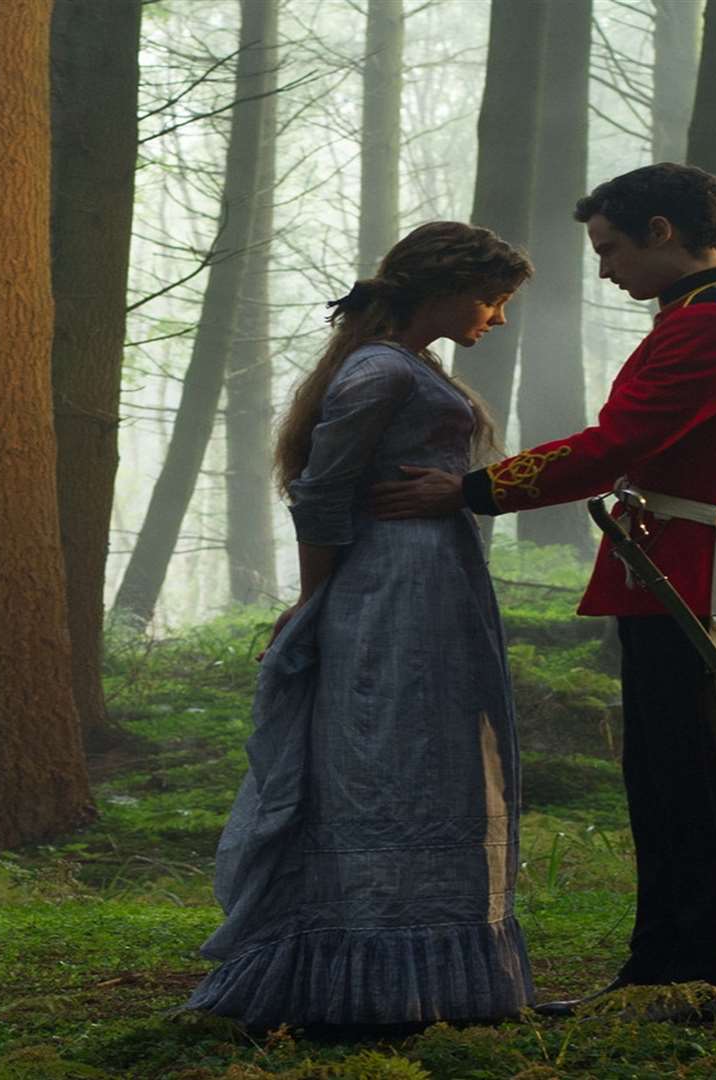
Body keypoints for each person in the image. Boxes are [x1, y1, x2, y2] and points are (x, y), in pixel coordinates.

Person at [371, 163, 716, 1022]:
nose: (604, 269)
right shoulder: (695, 316)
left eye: (610, 248)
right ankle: (667, 967)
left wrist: (473, 491)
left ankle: (710, 974)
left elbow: (614, 446)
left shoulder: (710, 327)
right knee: (664, 774)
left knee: (690, 778)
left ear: (660, 232)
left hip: (698, 574)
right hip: (672, 566)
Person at [185, 221, 536, 1032]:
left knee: (435, 757)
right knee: (390, 759)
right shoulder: (379, 372)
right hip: (390, 591)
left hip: (431, 585)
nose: (499, 317)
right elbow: (321, 492)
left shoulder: (408, 366)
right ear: (446, 291)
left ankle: (439, 972)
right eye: (492, 299)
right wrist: (315, 604)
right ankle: (375, 967)